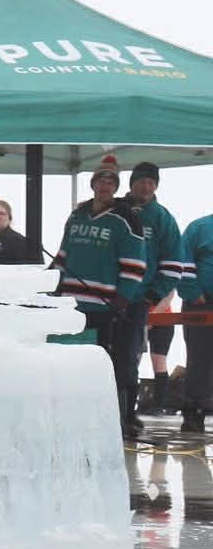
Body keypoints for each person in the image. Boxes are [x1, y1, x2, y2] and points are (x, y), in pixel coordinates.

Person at [55, 159, 147, 437]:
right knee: (69, 362)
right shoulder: (77, 215)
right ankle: (70, 417)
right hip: (71, 305)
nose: (104, 186)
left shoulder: (127, 218)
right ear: (93, 184)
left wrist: (122, 298)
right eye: (100, 181)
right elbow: (63, 255)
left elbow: (135, 264)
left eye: (110, 182)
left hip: (104, 307)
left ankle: (107, 420)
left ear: (115, 187)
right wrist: (52, 287)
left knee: (103, 365)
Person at [127, 161, 190, 415]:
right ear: (132, 183)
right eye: (141, 181)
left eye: (151, 182)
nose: (146, 186)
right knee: (122, 357)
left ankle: (150, 407)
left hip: (144, 302)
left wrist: (152, 299)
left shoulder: (163, 218)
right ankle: (120, 407)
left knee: (149, 357)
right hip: (112, 299)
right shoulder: (116, 209)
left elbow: (174, 266)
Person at [176, 208, 213, 434]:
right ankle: (193, 413)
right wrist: (193, 293)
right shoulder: (199, 228)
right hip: (201, 303)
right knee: (199, 359)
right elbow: (182, 262)